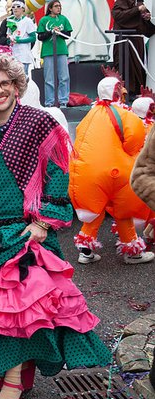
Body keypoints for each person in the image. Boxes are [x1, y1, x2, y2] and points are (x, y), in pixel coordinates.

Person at [0, 51, 112, 399]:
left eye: (5, 84)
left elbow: (60, 169)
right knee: (7, 311)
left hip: (28, 231)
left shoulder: (39, 122)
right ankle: (20, 368)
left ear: (16, 85)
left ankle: (11, 384)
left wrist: (44, 221)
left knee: (13, 307)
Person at [69, 77, 153, 264]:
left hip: (88, 173)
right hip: (116, 172)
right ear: (116, 92)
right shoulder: (123, 114)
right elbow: (134, 142)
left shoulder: (90, 114)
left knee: (97, 208)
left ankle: (85, 249)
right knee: (123, 210)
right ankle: (133, 252)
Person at [112, 0, 155, 98]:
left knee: (138, 67)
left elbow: (145, 25)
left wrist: (146, 18)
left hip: (137, 40)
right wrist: (137, 10)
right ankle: (123, 94)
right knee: (123, 66)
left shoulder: (140, 3)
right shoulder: (121, 2)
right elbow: (119, 16)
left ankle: (136, 92)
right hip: (123, 40)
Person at [37, 0, 72, 107]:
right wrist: (50, 32)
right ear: (50, 8)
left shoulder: (63, 19)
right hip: (48, 52)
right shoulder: (44, 20)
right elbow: (40, 36)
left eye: (59, 6)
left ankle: (63, 101)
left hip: (61, 51)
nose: (59, 8)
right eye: (56, 6)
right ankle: (49, 102)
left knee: (64, 77)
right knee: (49, 78)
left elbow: (68, 34)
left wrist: (59, 32)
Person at [0, 1, 36, 75]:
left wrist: (20, 41)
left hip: (23, 54)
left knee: (22, 78)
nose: (15, 9)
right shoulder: (9, 21)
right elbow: (7, 36)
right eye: (13, 7)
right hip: (12, 54)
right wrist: (9, 41)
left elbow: (33, 38)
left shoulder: (27, 21)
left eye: (18, 6)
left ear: (23, 9)